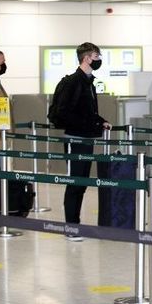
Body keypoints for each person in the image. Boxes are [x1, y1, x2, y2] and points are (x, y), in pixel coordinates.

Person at [58, 42, 110, 241]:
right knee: (74, 183)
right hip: (75, 139)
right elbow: (64, 112)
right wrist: (87, 124)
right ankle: (71, 227)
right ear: (87, 58)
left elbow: (89, 111)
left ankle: (75, 224)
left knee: (82, 184)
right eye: (97, 56)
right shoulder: (73, 82)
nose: (99, 60)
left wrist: (100, 121)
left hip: (87, 138)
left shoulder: (88, 81)